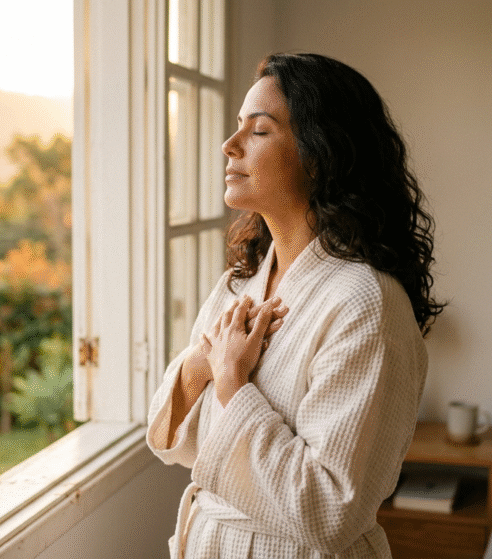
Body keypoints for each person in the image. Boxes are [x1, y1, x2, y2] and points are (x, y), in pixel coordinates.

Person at [147, 52, 444, 559]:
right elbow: (174, 440)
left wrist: (232, 383)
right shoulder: (240, 284)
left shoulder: (365, 303)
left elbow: (330, 511)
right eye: (239, 126)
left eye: (258, 131)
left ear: (320, 153)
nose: (229, 145)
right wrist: (205, 361)